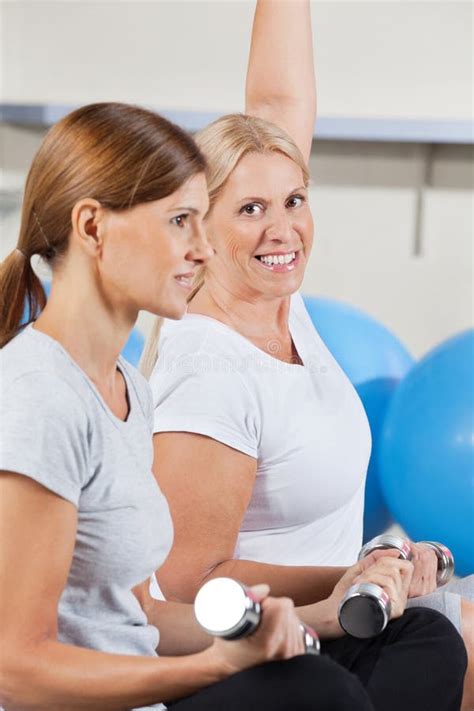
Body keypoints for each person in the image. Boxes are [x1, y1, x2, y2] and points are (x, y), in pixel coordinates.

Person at [0, 101, 390, 711]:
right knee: (321, 693)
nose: (205, 250)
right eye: (181, 221)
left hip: (147, 694)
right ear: (94, 228)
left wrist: (308, 619)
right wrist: (213, 668)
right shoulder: (37, 396)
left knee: (385, 653)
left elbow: (145, 614)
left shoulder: (127, 385)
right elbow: (16, 672)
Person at [142, 1, 473, 708]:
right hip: (246, 651)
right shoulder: (208, 365)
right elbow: (188, 578)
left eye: (294, 200)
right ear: (200, 226)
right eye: (252, 210)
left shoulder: (277, 300)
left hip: (334, 621)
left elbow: (278, 104)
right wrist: (347, 576)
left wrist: (372, 572)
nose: (282, 228)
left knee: (444, 640)